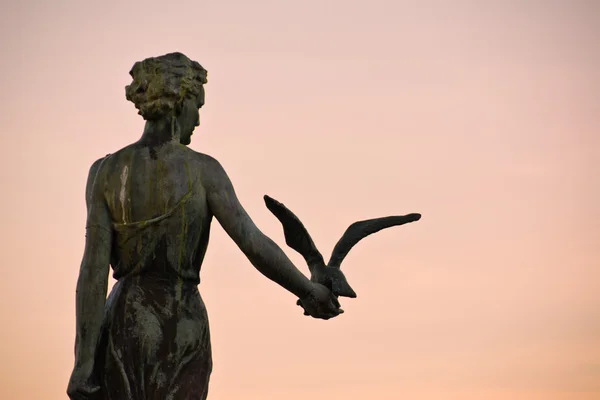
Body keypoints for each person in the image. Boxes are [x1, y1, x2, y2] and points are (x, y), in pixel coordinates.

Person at [67, 52, 343, 400]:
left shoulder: (104, 172)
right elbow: (253, 242)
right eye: (197, 106)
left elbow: (93, 273)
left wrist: (82, 362)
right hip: (183, 324)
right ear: (180, 100)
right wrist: (308, 289)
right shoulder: (204, 170)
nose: (197, 119)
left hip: (125, 323)